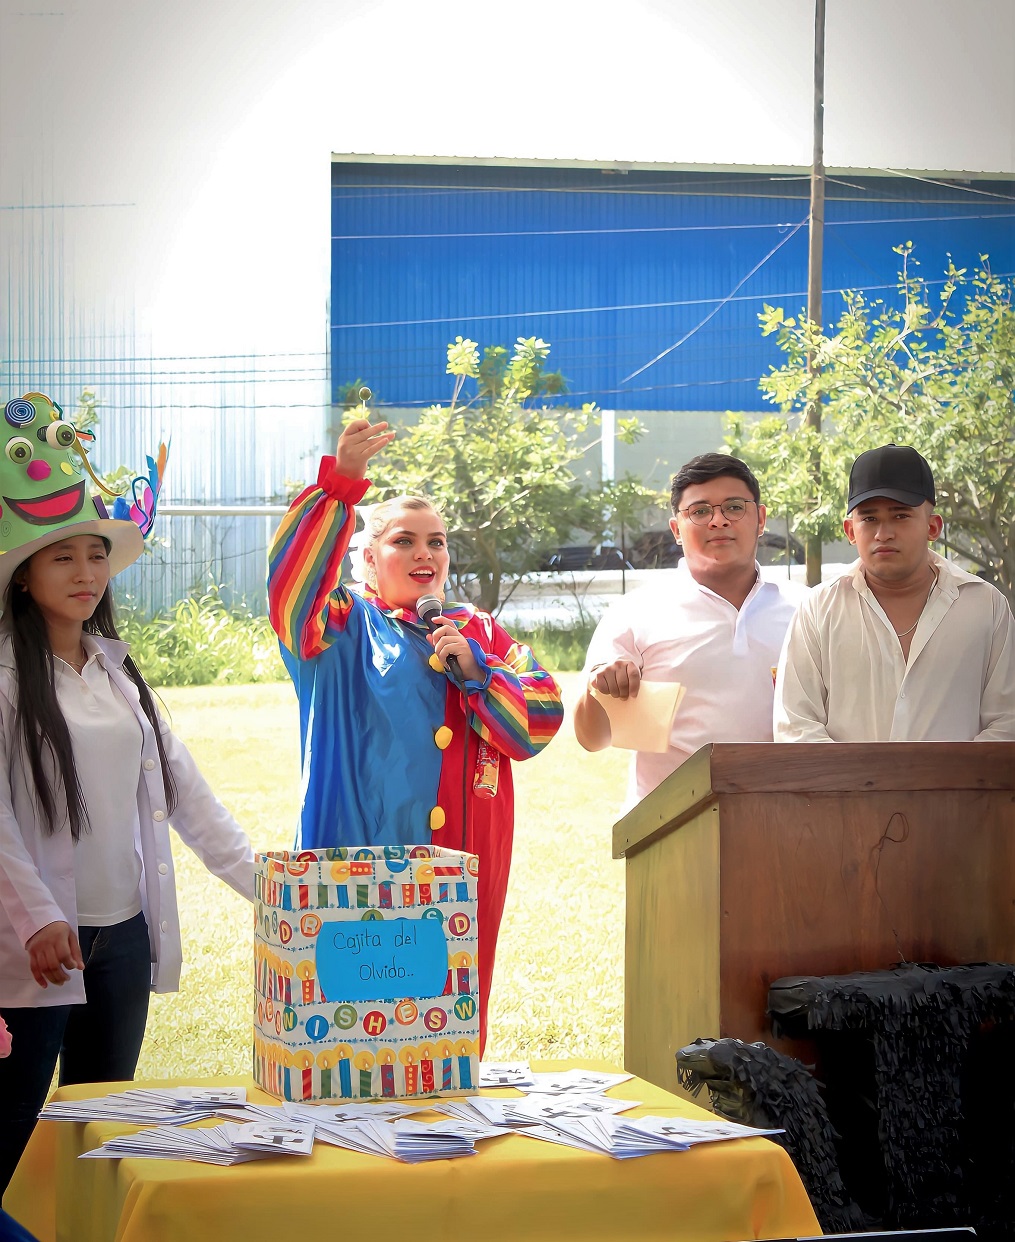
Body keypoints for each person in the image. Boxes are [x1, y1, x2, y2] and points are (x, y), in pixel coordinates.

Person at [0, 392, 255, 1194]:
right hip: (37, 949)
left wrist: (271, 887)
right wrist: (38, 916)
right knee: (8, 1131)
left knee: (99, 1129)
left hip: (123, 940)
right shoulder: (6, 679)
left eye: (95, 554)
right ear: (23, 574)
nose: (85, 573)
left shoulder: (117, 670)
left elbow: (187, 794)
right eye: (61, 557)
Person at [267, 416, 564, 1048]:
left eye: (437, 541)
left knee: (447, 1024)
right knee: (358, 1017)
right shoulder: (343, 624)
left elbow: (537, 723)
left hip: (467, 857)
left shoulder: (478, 633)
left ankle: (445, 1120)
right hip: (365, 851)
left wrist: (477, 673)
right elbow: (291, 601)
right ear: (368, 558)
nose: (425, 553)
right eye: (405, 541)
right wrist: (340, 489)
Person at [573, 452, 806, 811]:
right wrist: (600, 691)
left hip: (789, 815)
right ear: (676, 529)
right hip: (669, 826)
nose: (718, 521)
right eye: (699, 512)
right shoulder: (635, 612)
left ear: (760, 519)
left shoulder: (807, 609)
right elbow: (592, 738)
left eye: (733, 507)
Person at [774, 443, 1015, 742]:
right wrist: (860, 787)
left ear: (933, 526)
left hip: (962, 789)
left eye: (900, 516)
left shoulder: (984, 605)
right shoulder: (819, 609)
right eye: (869, 518)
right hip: (843, 789)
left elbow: (1007, 722)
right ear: (850, 531)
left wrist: (952, 786)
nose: (883, 533)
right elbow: (796, 726)